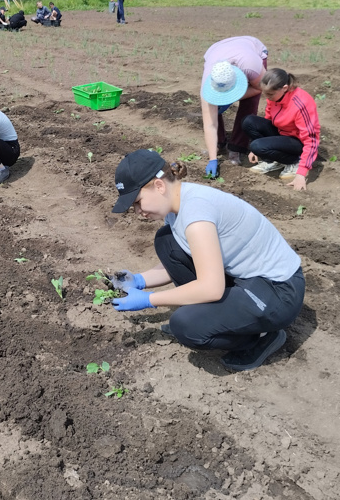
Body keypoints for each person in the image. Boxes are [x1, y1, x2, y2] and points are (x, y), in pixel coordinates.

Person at [108, 149, 305, 372]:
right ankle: (215, 317)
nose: (137, 212)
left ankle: (259, 339)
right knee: (167, 243)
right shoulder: (177, 207)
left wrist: (148, 299)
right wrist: (140, 280)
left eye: (137, 202)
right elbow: (186, 258)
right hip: (247, 279)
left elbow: (211, 288)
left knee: (186, 325)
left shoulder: (196, 214)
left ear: (159, 186)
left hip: (279, 292)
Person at [200, 36, 268, 178]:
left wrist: (234, 97)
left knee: (249, 104)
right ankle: (218, 143)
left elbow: (261, 88)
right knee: (214, 106)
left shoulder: (252, 66)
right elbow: (209, 124)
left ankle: (238, 146)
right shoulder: (208, 81)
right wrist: (213, 159)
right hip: (218, 49)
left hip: (251, 49)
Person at [243, 68, 321, 191]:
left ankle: (294, 161)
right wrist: (257, 148)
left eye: (270, 94)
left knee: (257, 145)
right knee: (249, 121)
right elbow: (269, 118)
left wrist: (301, 174)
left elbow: (311, 140)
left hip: (297, 142)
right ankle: (273, 161)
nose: (266, 97)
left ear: (284, 88)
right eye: (265, 93)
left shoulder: (301, 104)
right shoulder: (274, 97)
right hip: (282, 133)